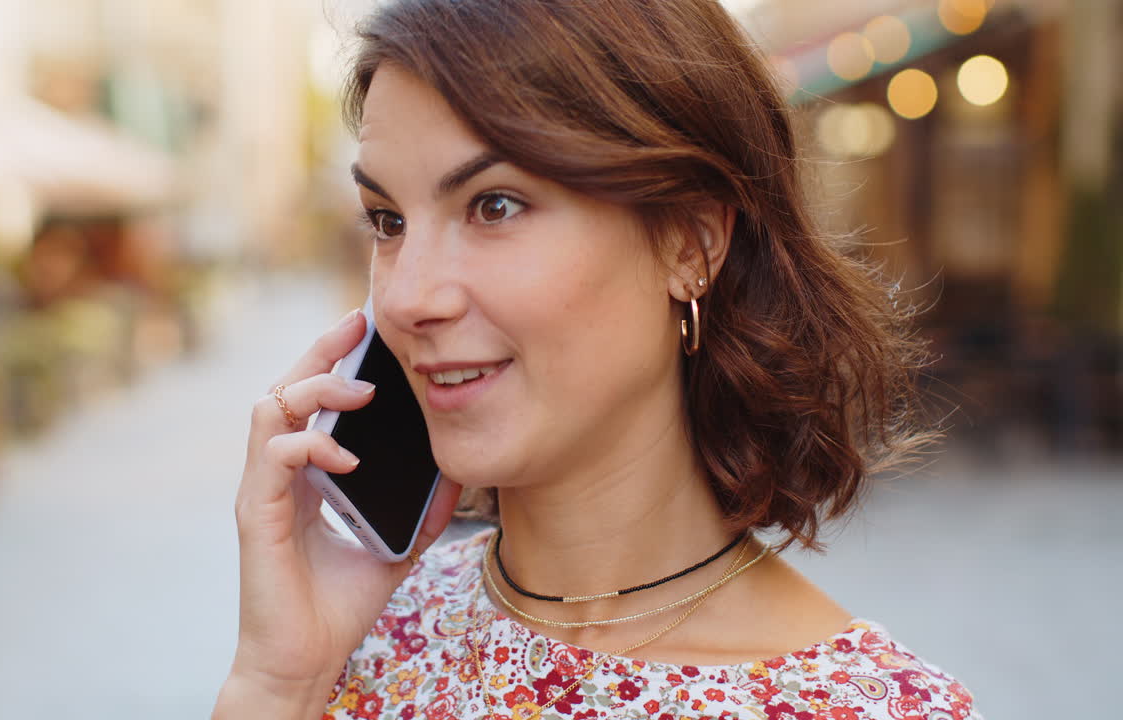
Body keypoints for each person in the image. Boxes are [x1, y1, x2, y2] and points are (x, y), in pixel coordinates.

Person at [214, 1, 981, 719]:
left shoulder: (872, 706)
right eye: (387, 220)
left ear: (690, 242)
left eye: (495, 206)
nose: (409, 297)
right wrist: (279, 683)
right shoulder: (351, 638)